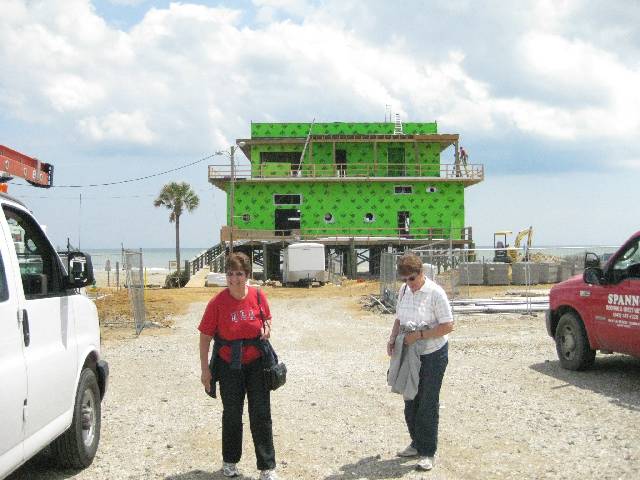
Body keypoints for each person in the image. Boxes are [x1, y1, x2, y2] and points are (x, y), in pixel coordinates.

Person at [199, 252, 280, 480]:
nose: (234, 279)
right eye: (230, 274)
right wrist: (205, 370)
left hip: (257, 364)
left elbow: (267, 318)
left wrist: (267, 328)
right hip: (228, 366)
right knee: (232, 415)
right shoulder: (217, 303)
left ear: (247, 275)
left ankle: (267, 467)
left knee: (261, 414)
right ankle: (230, 462)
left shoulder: (258, 295)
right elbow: (205, 337)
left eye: (239, 274)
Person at [386, 253, 454, 472]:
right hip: (409, 353)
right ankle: (416, 443)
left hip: (433, 354)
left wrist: (420, 335)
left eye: (412, 278)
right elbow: (399, 318)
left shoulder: (435, 293)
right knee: (410, 398)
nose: (409, 283)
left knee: (427, 402)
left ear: (421, 273)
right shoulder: (404, 291)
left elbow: (448, 326)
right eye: (404, 279)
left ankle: (427, 452)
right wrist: (392, 339)